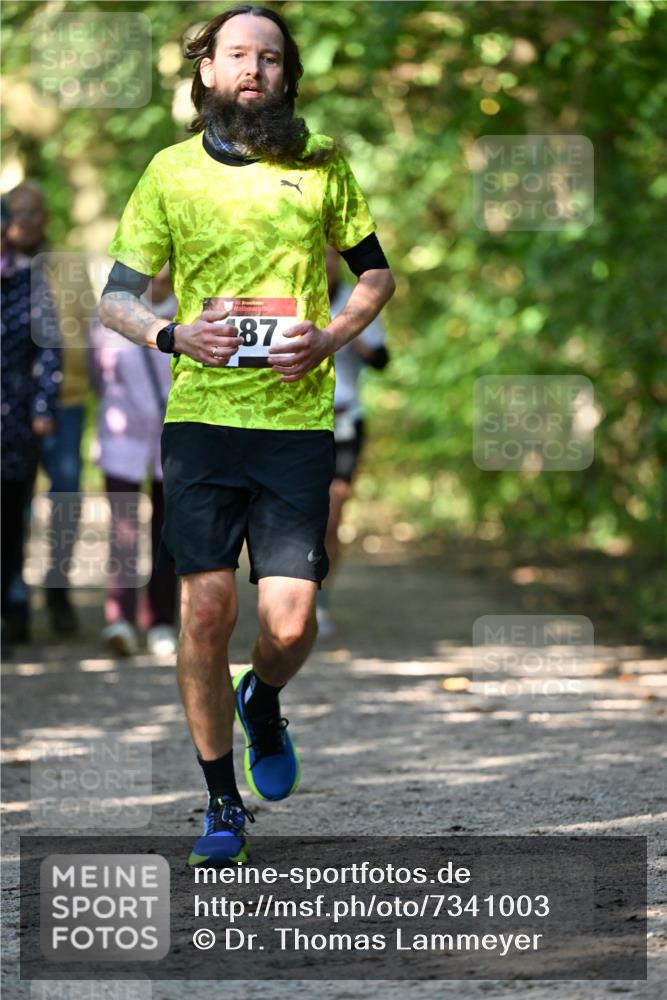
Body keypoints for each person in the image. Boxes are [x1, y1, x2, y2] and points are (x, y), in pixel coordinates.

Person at [99, 5, 395, 866]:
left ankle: (260, 698)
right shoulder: (169, 174)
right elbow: (116, 298)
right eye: (237, 55)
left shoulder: (322, 164)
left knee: (290, 622)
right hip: (200, 422)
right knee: (204, 610)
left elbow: (374, 274)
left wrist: (332, 336)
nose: (253, 69)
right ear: (207, 73)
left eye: (269, 57)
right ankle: (222, 803)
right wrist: (172, 334)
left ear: (287, 76)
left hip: (296, 423)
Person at [7, 180, 94, 635]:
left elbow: (92, 330)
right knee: (13, 501)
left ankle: (58, 594)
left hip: (68, 402)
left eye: (35, 212)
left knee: (65, 495)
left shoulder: (68, 267)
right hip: (13, 408)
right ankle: (14, 599)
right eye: (18, 212)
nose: (27, 221)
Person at [89, 264, 178, 656]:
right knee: (123, 530)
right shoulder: (115, 311)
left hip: (171, 437)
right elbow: (96, 373)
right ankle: (119, 619)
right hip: (121, 436)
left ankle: (161, 622)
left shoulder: (191, 311)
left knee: (166, 532)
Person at [316, 246, 390, 639]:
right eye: (321, 256)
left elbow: (382, 359)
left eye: (333, 257)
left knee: (332, 514)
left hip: (346, 420)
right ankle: (291, 596)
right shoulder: (297, 300)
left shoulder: (355, 300)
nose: (327, 264)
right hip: (303, 424)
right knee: (299, 516)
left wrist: (347, 335)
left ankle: (320, 601)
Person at [1, 196, 62, 645]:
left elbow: (49, 345)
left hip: (15, 419)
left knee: (9, 521)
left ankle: (9, 608)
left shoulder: (28, 279)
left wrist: (42, 407)